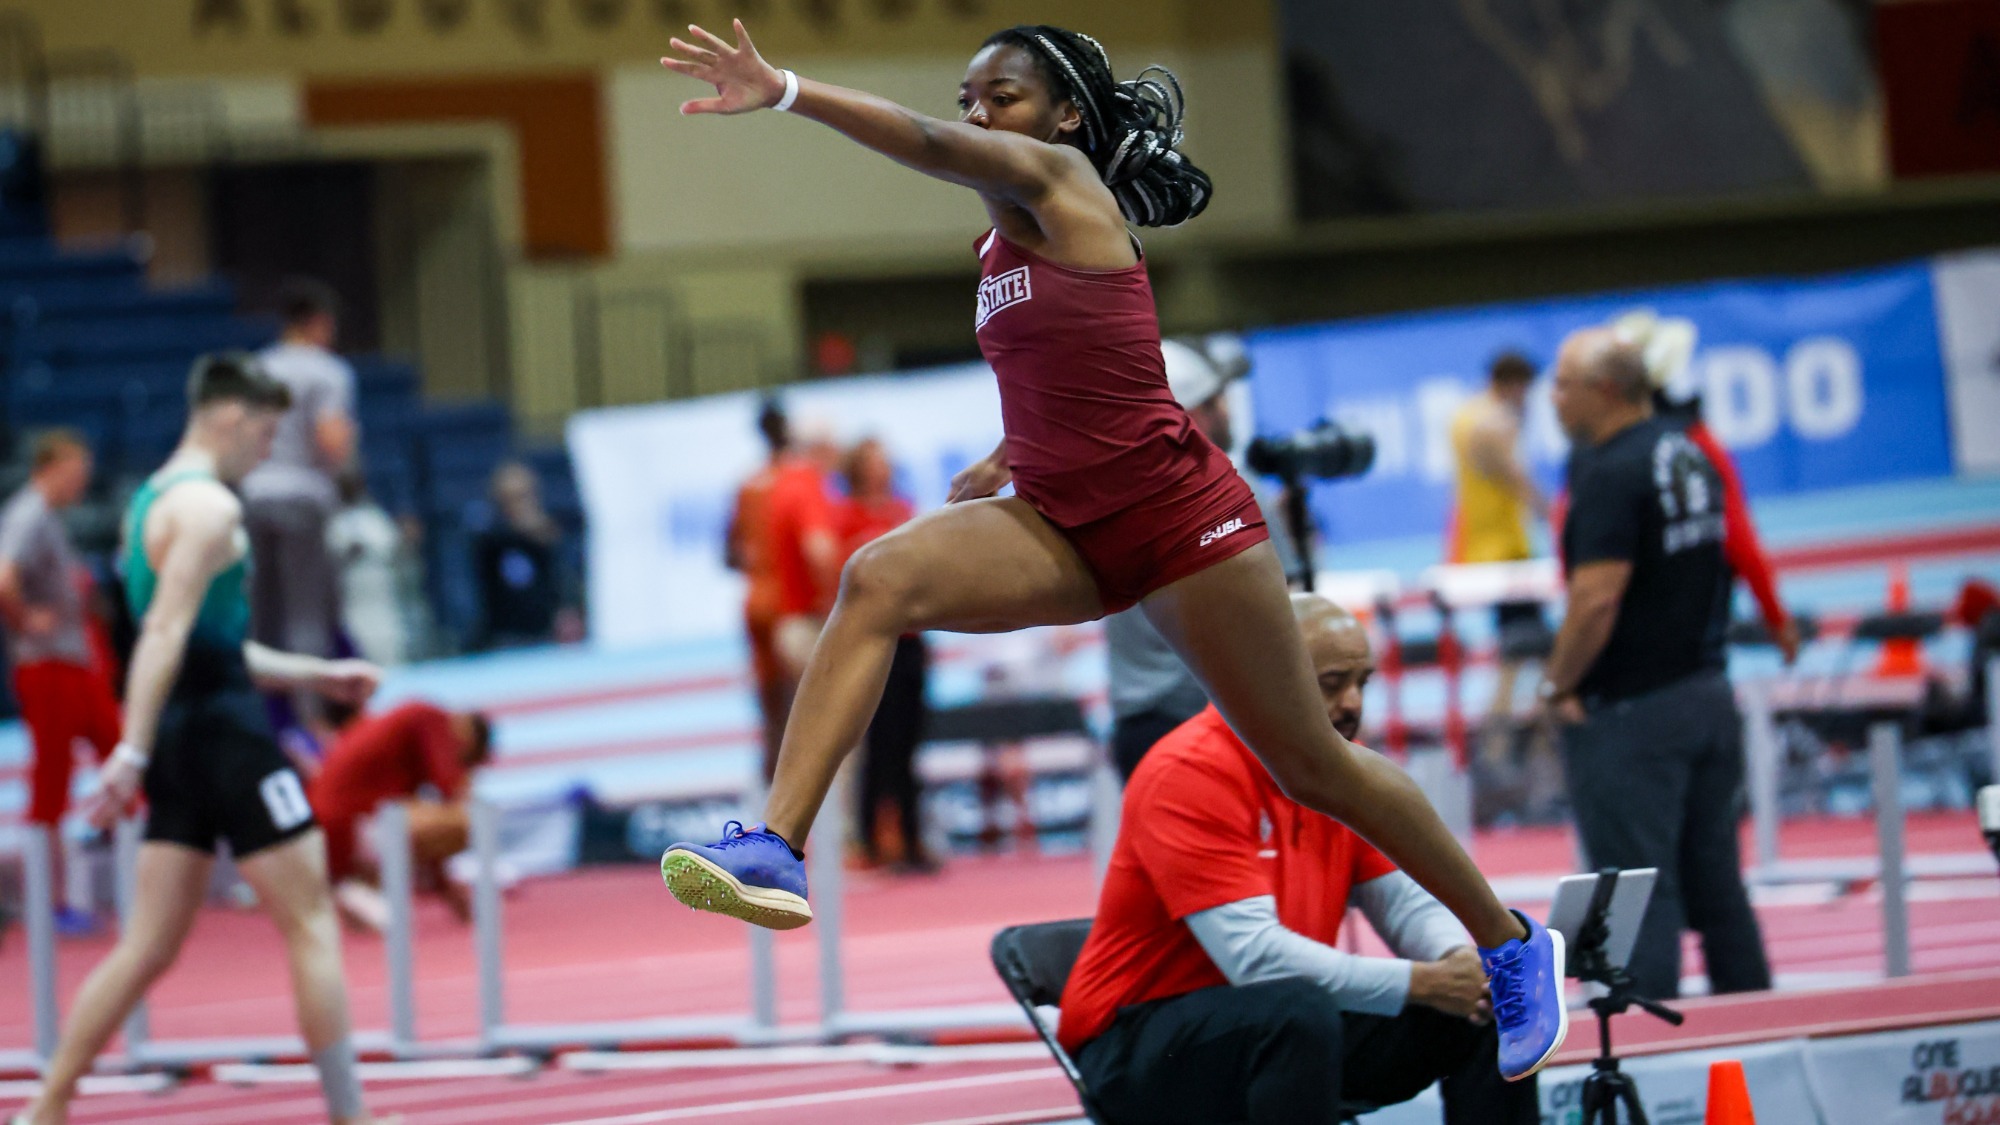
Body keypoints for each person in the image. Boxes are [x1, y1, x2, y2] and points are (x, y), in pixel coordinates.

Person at [656, 20, 1566, 1081]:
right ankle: (776, 847)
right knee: (878, 580)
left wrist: (784, 92)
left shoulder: (1060, 181)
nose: (975, 114)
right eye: (968, 96)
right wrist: (1009, 451)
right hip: (1062, 522)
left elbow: (926, 144)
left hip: (1179, 521)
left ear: (1064, 118)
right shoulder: (997, 241)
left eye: (998, 95)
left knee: (1311, 766)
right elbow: (1074, 361)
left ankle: (1509, 945)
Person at [15, 353, 389, 1125]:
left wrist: (317, 673)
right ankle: (353, 1118)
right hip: (224, 736)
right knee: (312, 920)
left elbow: (204, 646)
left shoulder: (147, 502)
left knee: (146, 947)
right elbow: (165, 630)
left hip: (189, 734)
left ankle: (46, 1106)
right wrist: (130, 750)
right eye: (266, 429)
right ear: (228, 415)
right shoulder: (212, 508)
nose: (268, 447)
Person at [1063, 594, 1539, 1123]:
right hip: (1139, 1045)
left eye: (1362, 683)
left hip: (1276, 1024)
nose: (1354, 704)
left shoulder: (1344, 776)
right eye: (1332, 684)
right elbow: (1256, 959)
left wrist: (1459, 965)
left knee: (1492, 1001)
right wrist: (1423, 984)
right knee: (1297, 1010)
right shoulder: (1187, 771)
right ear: (1263, 675)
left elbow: (1405, 904)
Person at [1540, 328, 1772, 1001]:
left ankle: (1644, 1062)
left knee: (1636, 892)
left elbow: (1596, 597)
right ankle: (1759, 1025)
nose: (1553, 398)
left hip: (1635, 714)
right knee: (1719, 885)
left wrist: (1557, 683)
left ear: (1605, 389)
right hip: (1705, 693)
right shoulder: (1690, 453)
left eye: (1563, 383)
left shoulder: (1610, 471)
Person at [1104, 337, 1301, 780]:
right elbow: (1283, 614)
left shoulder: (1109, 499)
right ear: (1185, 415)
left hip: (1138, 728)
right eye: (1214, 401)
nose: (1227, 411)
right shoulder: (1233, 490)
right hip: (1214, 723)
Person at [1611, 310, 1799, 664]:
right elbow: (1737, 537)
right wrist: (1776, 617)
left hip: (1627, 647)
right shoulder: (1696, 442)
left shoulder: (1599, 456)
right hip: (1696, 643)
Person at [0, 430, 120, 936]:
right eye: (77, 470)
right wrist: (27, 621)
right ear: (52, 466)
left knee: (118, 757)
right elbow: (3, 577)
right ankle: (48, 901)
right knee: (52, 782)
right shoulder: (27, 514)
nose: (83, 481)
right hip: (47, 666)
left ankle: (116, 869)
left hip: (72, 663)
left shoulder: (48, 517)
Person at [242, 278, 357, 721]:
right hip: (302, 497)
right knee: (305, 613)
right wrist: (347, 457)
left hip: (255, 493)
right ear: (321, 324)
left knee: (263, 614)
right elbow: (331, 440)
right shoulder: (326, 371)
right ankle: (310, 717)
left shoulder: (256, 369)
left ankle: (265, 716)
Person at [835, 438, 933, 870]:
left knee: (909, 744)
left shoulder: (902, 511)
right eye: (873, 462)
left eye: (884, 462)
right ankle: (871, 841)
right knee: (876, 746)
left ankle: (912, 838)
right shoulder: (845, 517)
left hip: (909, 641)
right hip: (872, 644)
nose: (882, 469)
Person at [1448, 352, 1551, 755]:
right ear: (1515, 384)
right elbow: (1512, 476)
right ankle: (1502, 754)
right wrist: (1552, 511)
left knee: (1527, 657)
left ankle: (1509, 754)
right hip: (1508, 553)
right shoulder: (1494, 422)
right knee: (1529, 658)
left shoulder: (1464, 417)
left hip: (1485, 549)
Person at [308, 701, 492, 927]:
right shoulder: (431, 718)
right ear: (468, 735)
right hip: (346, 826)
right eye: (466, 758)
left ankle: (355, 887)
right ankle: (354, 885)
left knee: (417, 815)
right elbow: (451, 789)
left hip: (326, 827)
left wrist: (449, 891)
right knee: (464, 820)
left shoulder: (403, 733)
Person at [757, 420, 842, 778]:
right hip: (808, 622)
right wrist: (837, 602)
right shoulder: (809, 485)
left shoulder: (779, 485)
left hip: (788, 621)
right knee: (838, 739)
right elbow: (818, 549)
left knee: (802, 733)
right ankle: (839, 832)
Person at [726, 398, 795, 777]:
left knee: (770, 709)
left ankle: (768, 807)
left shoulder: (747, 486)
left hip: (757, 602)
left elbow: (728, 553)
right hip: (792, 604)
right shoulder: (800, 480)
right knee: (807, 708)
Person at [473, 460, 580, 650]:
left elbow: (567, 589)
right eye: (510, 498)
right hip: (504, 642)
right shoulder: (488, 542)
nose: (519, 505)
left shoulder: (552, 538)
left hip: (550, 639)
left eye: (523, 496)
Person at [326, 469, 409, 667]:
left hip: (383, 604)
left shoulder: (374, 517)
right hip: (351, 606)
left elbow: (391, 547)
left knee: (392, 659)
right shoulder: (332, 522)